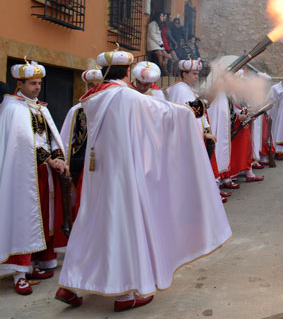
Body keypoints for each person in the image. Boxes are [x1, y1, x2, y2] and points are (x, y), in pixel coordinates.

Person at [55, 48, 231, 311]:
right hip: (122, 174)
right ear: (127, 71)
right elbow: (164, 114)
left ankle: (68, 284)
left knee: (90, 223)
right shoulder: (125, 96)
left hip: (98, 174)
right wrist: (194, 108)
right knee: (124, 226)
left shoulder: (94, 97)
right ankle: (126, 294)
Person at [0, 60, 70, 296]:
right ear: (19, 83)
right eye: (32, 83)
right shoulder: (12, 108)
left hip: (45, 172)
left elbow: (51, 138)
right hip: (23, 174)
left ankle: (36, 263)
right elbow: (21, 142)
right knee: (24, 217)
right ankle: (19, 272)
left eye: (39, 83)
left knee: (45, 219)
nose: (37, 87)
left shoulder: (42, 108)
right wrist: (48, 158)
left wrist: (58, 157)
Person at [60, 68, 103, 221]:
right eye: (90, 85)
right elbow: (65, 139)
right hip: (81, 164)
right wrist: (64, 164)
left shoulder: (109, 108)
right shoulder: (77, 111)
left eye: (97, 86)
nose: (93, 89)